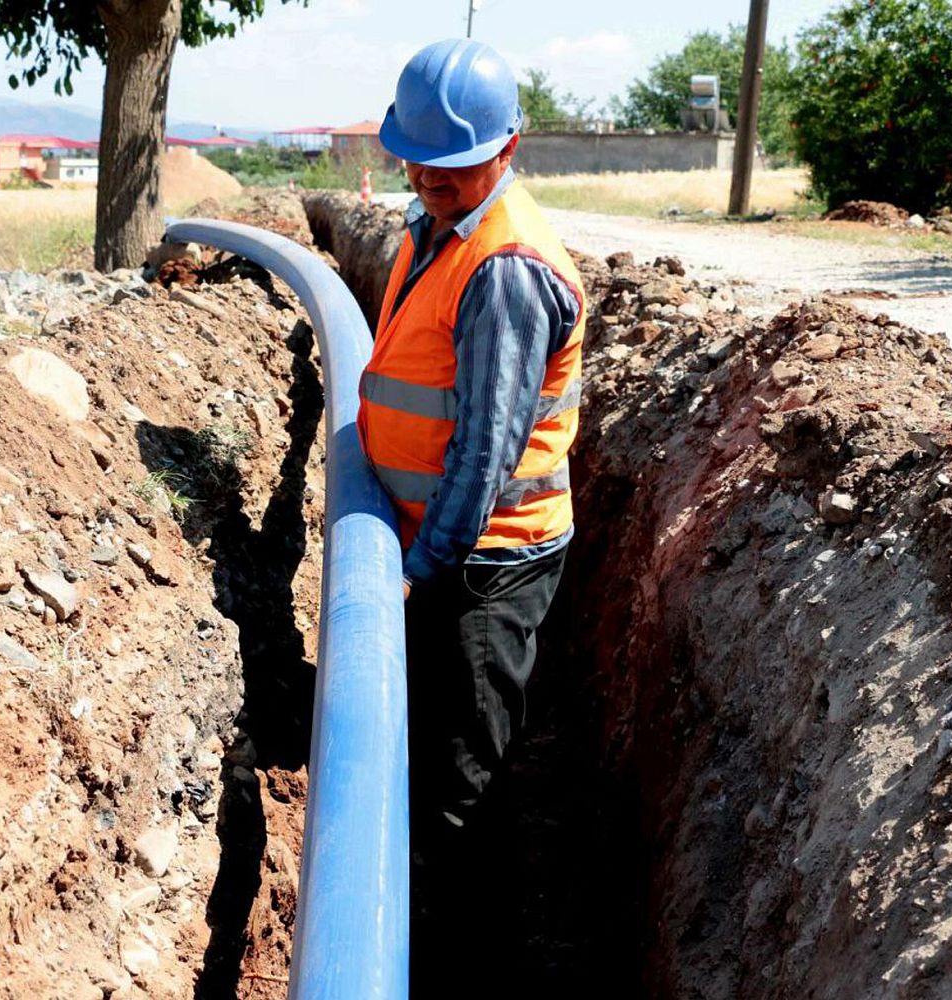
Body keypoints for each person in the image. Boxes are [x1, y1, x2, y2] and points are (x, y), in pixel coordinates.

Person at [357, 37, 585, 981]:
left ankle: (463, 960)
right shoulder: (432, 227)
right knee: (433, 754)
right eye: (415, 157)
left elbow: (485, 454)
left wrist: (414, 578)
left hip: (485, 562)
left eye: (453, 163)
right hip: (445, 549)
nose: (429, 177)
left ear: (509, 146)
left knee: (461, 788)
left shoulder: (506, 271)